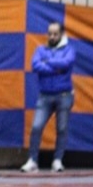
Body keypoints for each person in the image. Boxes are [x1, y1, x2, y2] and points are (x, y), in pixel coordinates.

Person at [21, 22, 76, 173]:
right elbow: (35, 65)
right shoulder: (40, 49)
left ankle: (57, 160)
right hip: (44, 95)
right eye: (50, 34)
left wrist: (47, 62)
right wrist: (56, 68)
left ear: (61, 35)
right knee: (36, 127)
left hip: (64, 95)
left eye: (55, 34)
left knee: (62, 128)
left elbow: (66, 63)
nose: (52, 37)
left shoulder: (69, 49)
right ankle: (32, 160)